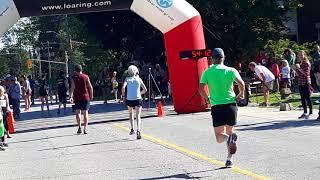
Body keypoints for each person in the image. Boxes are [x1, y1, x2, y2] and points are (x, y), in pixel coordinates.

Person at [198, 48, 245, 167]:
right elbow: (241, 83)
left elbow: (201, 88)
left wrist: (207, 99)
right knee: (229, 132)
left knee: (220, 137)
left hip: (217, 106)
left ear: (212, 59)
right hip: (231, 105)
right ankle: (229, 159)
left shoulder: (207, 72)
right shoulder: (231, 70)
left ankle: (230, 140)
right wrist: (240, 95)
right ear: (223, 58)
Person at [121, 65, 147, 140]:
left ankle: (132, 129)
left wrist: (123, 96)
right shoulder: (139, 79)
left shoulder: (127, 79)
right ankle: (138, 130)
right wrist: (139, 93)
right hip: (138, 99)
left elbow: (123, 88)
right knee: (138, 115)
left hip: (129, 99)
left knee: (130, 113)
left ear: (129, 72)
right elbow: (145, 89)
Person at [70, 65, 93, 134]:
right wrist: (91, 95)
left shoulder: (73, 78)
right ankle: (85, 128)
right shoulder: (86, 77)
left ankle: (79, 127)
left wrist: (70, 96)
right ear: (81, 70)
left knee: (78, 113)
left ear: (75, 70)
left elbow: (72, 87)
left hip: (77, 97)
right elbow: (90, 87)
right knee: (85, 113)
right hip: (85, 97)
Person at [295, 50, 312, 119]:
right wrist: (295, 70)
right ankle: (305, 112)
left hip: (306, 82)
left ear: (304, 55)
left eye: (301, 55)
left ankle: (310, 112)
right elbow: (299, 74)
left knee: (307, 98)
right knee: (302, 98)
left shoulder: (307, 63)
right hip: (300, 82)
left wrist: (299, 68)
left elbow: (306, 74)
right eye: (299, 55)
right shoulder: (300, 63)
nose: (300, 56)